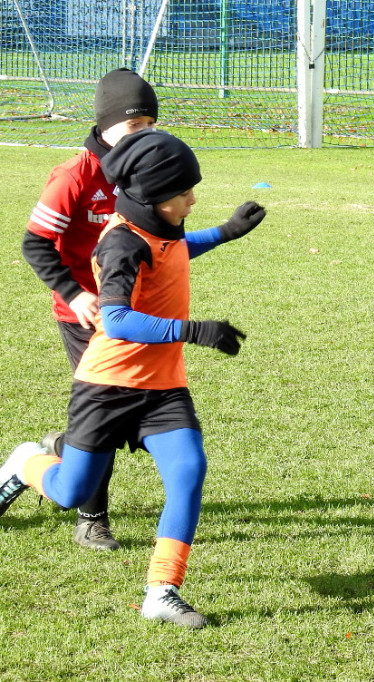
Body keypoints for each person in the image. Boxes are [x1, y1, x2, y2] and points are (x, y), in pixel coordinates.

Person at [0, 128, 266, 628]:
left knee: (188, 472)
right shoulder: (121, 244)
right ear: (150, 196)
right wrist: (195, 330)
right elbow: (116, 321)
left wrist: (226, 232)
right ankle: (25, 462)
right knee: (71, 493)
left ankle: (161, 591)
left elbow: (178, 249)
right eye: (184, 191)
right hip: (107, 387)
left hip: (162, 387)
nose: (193, 198)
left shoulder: (158, 229)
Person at [19, 67, 159, 550]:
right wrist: (75, 294)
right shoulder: (74, 175)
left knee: (126, 413)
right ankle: (91, 517)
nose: (142, 135)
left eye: (149, 126)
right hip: (84, 314)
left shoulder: (150, 170)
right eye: (132, 126)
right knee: (105, 410)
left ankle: (64, 448)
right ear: (105, 126)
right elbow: (36, 244)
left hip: (134, 311)